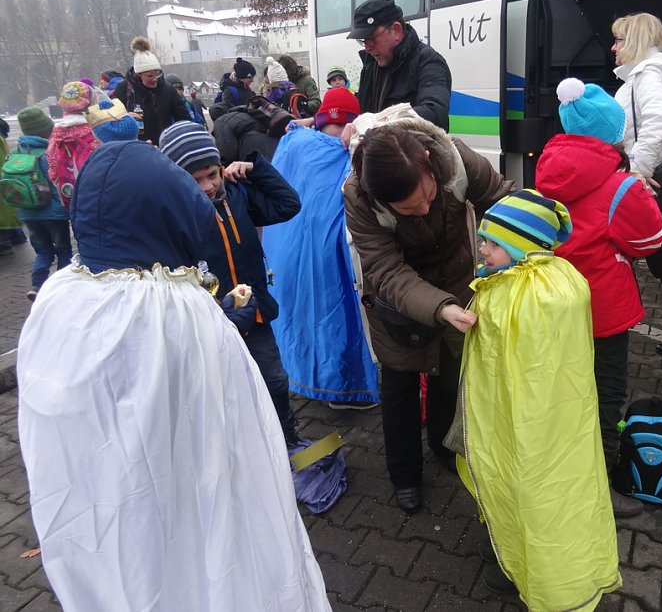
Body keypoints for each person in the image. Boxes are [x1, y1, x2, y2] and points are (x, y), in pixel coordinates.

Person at [17, 139, 330, 611]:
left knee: (130, 572)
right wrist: (220, 322)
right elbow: (226, 421)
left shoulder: (59, 294)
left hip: (97, 497)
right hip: (180, 494)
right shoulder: (175, 308)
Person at [445, 189, 622, 605]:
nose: (483, 250)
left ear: (521, 244)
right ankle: (517, 557)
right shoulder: (561, 279)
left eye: (492, 243)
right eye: (484, 240)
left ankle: (536, 573)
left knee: (527, 484)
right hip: (552, 419)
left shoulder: (529, 292)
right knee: (535, 485)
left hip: (526, 417)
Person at [344, 104, 516, 513]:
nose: (422, 210)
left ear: (427, 162)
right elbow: (386, 269)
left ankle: (444, 445)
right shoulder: (358, 196)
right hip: (397, 299)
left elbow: (504, 199)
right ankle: (404, 474)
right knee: (400, 382)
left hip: (457, 280)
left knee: (450, 374)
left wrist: (529, 236)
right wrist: (439, 308)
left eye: (427, 197)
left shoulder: (454, 157)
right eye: (407, 210)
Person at [535, 78, 662, 518]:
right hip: (604, 311)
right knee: (606, 395)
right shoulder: (623, 187)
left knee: (564, 392)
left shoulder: (543, 173)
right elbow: (650, 241)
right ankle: (598, 489)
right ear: (613, 133)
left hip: (555, 307)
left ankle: (559, 472)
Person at [159, 121, 304, 447]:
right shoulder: (178, 217)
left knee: (275, 380)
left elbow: (288, 204)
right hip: (213, 321)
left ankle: (287, 440)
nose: (208, 186)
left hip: (254, 313)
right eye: (194, 180)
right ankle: (240, 446)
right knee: (226, 387)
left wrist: (256, 169)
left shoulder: (238, 194)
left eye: (212, 174)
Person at [264, 87, 379, 409]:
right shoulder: (354, 149)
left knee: (308, 315)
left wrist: (302, 123)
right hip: (335, 252)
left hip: (291, 251)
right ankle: (348, 389)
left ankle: (311, 377)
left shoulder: (295, 144)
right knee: (341, 314)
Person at [611, 12, 662, 355]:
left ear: (637, 40)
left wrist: (636, 171)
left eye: (620, 40)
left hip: (654, 187)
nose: (614, 47)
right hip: (655, 185)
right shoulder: (642, 76)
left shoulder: (647, 76)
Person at [347, 0, 451, 130]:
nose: (367, 48)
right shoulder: (371, 64)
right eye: (363, 40)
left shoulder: (429, 62)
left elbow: (434, 112)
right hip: (377, 148)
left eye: (371, 39)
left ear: (396, 30)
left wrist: (378, 124)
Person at [11, 107, 71, 301]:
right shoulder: (48, 153)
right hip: (54, 213)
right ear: (46, 130)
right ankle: (63, 287)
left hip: (28, 213)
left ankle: (37, 286)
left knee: (43, 251)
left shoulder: (16, 153)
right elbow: (56, 184)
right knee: (63, 250)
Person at [111, 36, 191, 145]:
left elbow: (184, 118)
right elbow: (112, 118)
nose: (154, 80)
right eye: (149, 76)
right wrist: (125, 117)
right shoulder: (125, 89)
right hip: (137, 146)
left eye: (157, 75)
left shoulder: (167, 89)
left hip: (165, 145)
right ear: (138, 74)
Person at [45, 81, 100, 209]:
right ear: (91, 103)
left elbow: (53, 172)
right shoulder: (96, 131)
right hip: (98, 200)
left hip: (71, 199)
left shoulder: (57, 133)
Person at [0, 116, 24, 255]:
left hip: (3, 182)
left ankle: (7, 242)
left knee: (6, 213)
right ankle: (10, 240)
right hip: (4, 182)